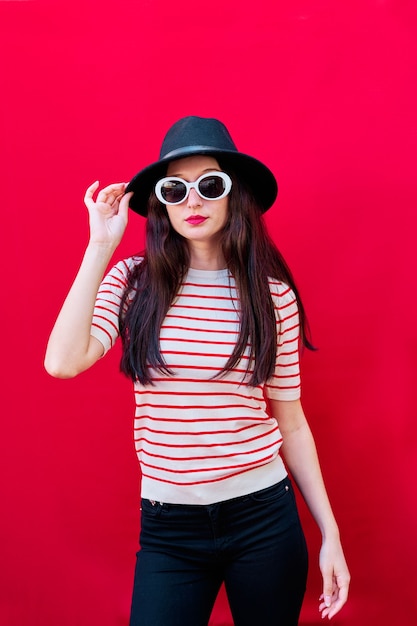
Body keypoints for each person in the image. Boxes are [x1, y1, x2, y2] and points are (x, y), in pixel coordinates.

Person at [45, 116, 350, 626]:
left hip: (263, 519)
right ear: (160, 201)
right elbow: (62, 361)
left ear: (234, 194)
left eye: (210, 185)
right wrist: (100, 246)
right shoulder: (133, 281)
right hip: (169, 529)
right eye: (175, 188)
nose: (193, 200)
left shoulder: (272, 296)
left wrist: (331, 534)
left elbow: (291, 422)